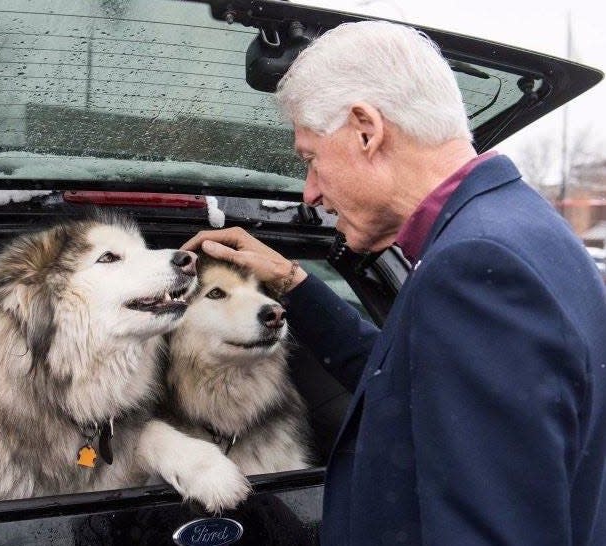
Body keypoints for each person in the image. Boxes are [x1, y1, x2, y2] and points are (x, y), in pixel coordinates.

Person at [182, 20, 606, 546]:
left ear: (366, 129)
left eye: (310, 159)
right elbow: (406, 380)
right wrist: (293, 281)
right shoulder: (516, 230)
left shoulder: (475, 265)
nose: (310, 192)